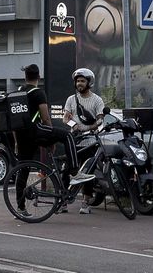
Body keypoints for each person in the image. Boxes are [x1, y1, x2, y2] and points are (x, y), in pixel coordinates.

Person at [12, 64, 94, 218]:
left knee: (22, 169)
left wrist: (16, 141)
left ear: (25, 77)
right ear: (38, 77)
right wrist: (51, 138)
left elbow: (15, 121)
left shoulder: (18, 93)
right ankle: (75, 172)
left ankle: (20, 208)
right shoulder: (38, 93)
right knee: (67, 136)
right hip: (35, 131)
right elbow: (45, 117)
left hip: (21, 136)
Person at [63, 67, 105, 215]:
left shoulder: (97, 100)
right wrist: (74, 126)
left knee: (88, 172)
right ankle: (63, 201)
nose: (79, 84)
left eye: (82, 81)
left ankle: (86, 202)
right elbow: (65, 118)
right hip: (74, 140)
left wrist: (92, 127)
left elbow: (101, 118)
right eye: (77, 81)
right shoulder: (71, 99)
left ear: (89, 82)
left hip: (90, 141)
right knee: (67, 170)